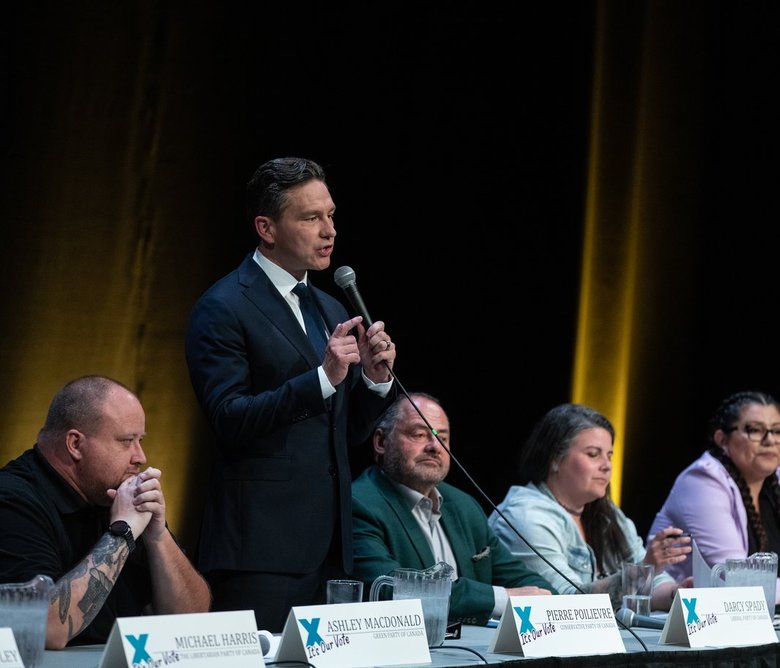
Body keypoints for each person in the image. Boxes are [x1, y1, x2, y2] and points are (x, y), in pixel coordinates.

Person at [184, 156, 397, 631]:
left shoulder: (328, 304)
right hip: (261, 552)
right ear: (267, 227)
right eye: (310, 217)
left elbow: (343, 432)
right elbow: (229, 418)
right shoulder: (223, 307)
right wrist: (322, 378)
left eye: (331, 215)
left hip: (331, 552)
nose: (330, 231)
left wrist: (374, 381)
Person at [0, 375, 211, 648]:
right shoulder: (12, 501)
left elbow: (193, 623)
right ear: (75, 444)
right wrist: (121, 533)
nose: (140, 457)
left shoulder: (117, 494)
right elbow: (46, 629)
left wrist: (158, 535)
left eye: (140, 440)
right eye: (126, 441)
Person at [351, 392, 555, 625]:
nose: (434, 446)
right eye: (419, 434)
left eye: (443, 438)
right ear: (380, 442)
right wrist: (501, 598)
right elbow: (392, 590)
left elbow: (521, 578)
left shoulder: (464, 505)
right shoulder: (360, 503)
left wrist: (552, 600)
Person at [487, 403, 689, 612]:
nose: (607, 465)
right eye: (593, 454)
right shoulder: (526, 517)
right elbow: (565, 602)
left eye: (609, 455)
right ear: (555, 458)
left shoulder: (607, 515)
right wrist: (642, 571)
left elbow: (650, 580)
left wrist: (676, 594)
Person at [648, 390, 780, 608]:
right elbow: (740, 584)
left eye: (778, 431)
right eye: (754, 430)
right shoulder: (702, 480)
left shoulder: (778, 481)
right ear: (722, 439)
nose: (770, 440)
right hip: (690, 623)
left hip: (767, 623)